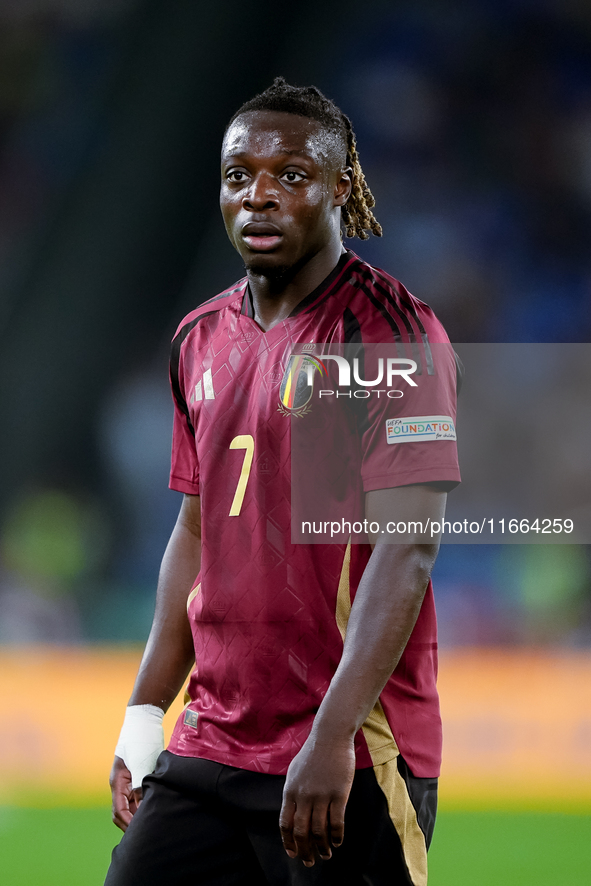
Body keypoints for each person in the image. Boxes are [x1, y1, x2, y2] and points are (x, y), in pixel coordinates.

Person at [105, 78, 460, 886]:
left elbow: (408, 550)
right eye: (239, 176)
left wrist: (331, 737)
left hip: (347, 750)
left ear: (340, 188)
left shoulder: (393, 335)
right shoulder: (197, 338)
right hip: (211, 740)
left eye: (290, 176)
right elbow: (196, 531)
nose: (258, 196)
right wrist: (143, 714)